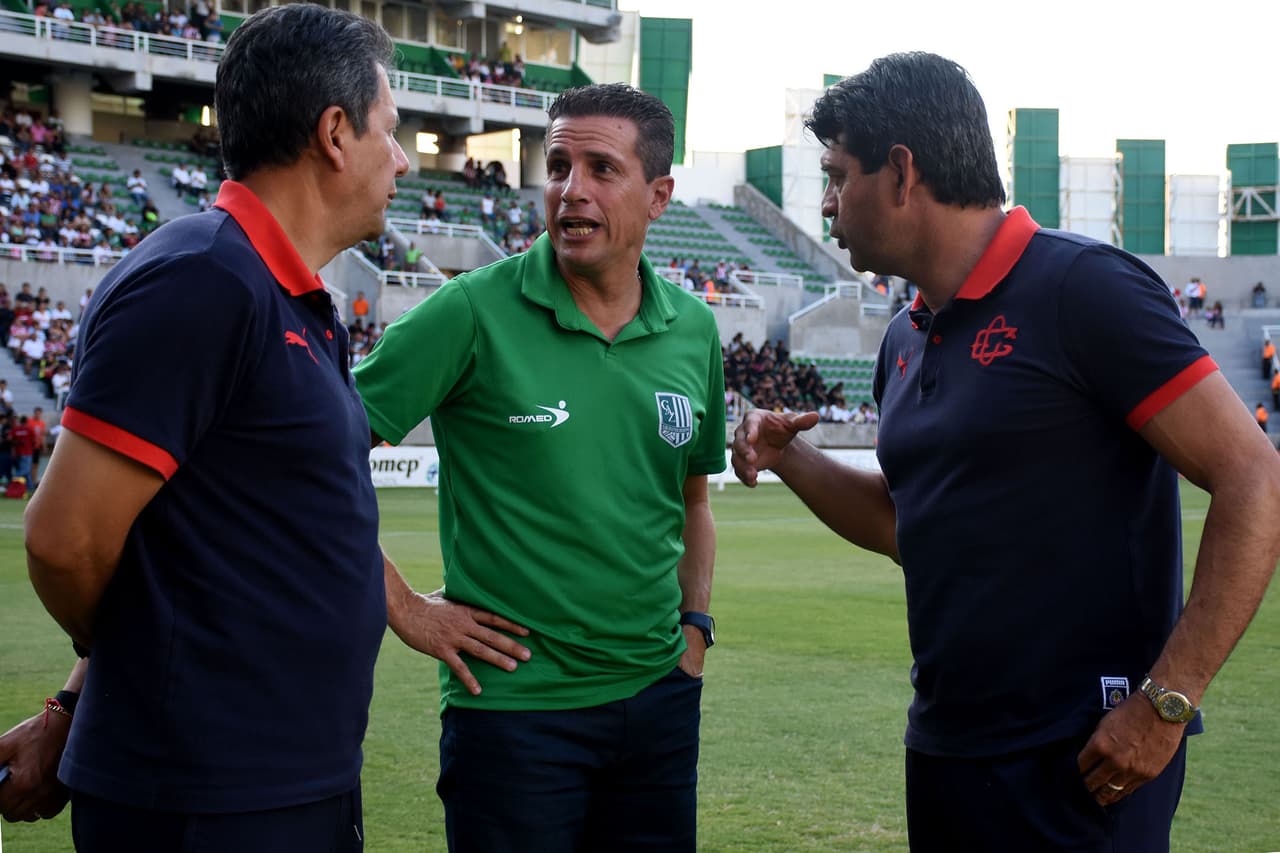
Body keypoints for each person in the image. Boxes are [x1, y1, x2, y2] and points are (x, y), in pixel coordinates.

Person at [731, 52, 1280, 853]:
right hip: (949, 750)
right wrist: (793, 460)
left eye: (836, 175)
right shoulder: (902, 338)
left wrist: (1167, 702)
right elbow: (908, 524)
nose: (826, 203)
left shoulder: (1084, 289)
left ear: (901, 173)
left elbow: (1254, 474)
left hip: (1087, 758)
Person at [14, 5, 525, 846]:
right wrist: (129, 656)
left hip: (283, 780)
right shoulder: (202, 281)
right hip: (206, 794)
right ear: (334, 133)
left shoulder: (285, 295)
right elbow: (65, 540)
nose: (402, 161)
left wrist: (82, 689)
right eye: (391, 132)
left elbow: (231, 533)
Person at [353, 82, 726, 852]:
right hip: (515, 713)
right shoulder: (469, 311)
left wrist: (694, 629)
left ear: (658, 196)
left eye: (600, 168)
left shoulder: (692, 329)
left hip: (659, 701)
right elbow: (305, 460)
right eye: (557, 166)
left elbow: (693, 499)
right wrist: (406, 608)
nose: (570, 190)